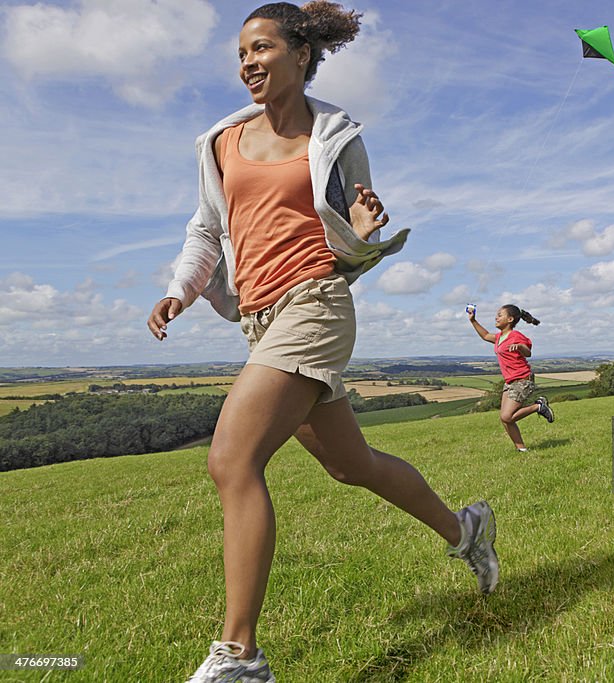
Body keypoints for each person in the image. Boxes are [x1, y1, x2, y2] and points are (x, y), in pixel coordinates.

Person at [146, 4, 497, 681]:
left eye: (261, 48)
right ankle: (467, 532)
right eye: (241, 53)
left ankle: (241, 657)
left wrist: (362, 235)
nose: (247, 62)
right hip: (260, 320)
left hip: (317, 303)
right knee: (350, 464)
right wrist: (180, 290)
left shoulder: (336, 136)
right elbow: (205, 229)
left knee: (231, 459)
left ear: (300, 54)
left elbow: (349, 242)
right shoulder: (221, 141)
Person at [467, 304, 554, 452]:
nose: (496, 317)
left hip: (522, 380)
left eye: (500, 315)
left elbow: (528, 352)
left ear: (510, 319)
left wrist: (520, 347)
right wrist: (473, 320)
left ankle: (539, 406)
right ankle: (521, 450)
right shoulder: (500, 337)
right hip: (510, 381)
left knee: (507, 416)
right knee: (505, 419)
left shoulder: (516, 336)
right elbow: (485, 335)